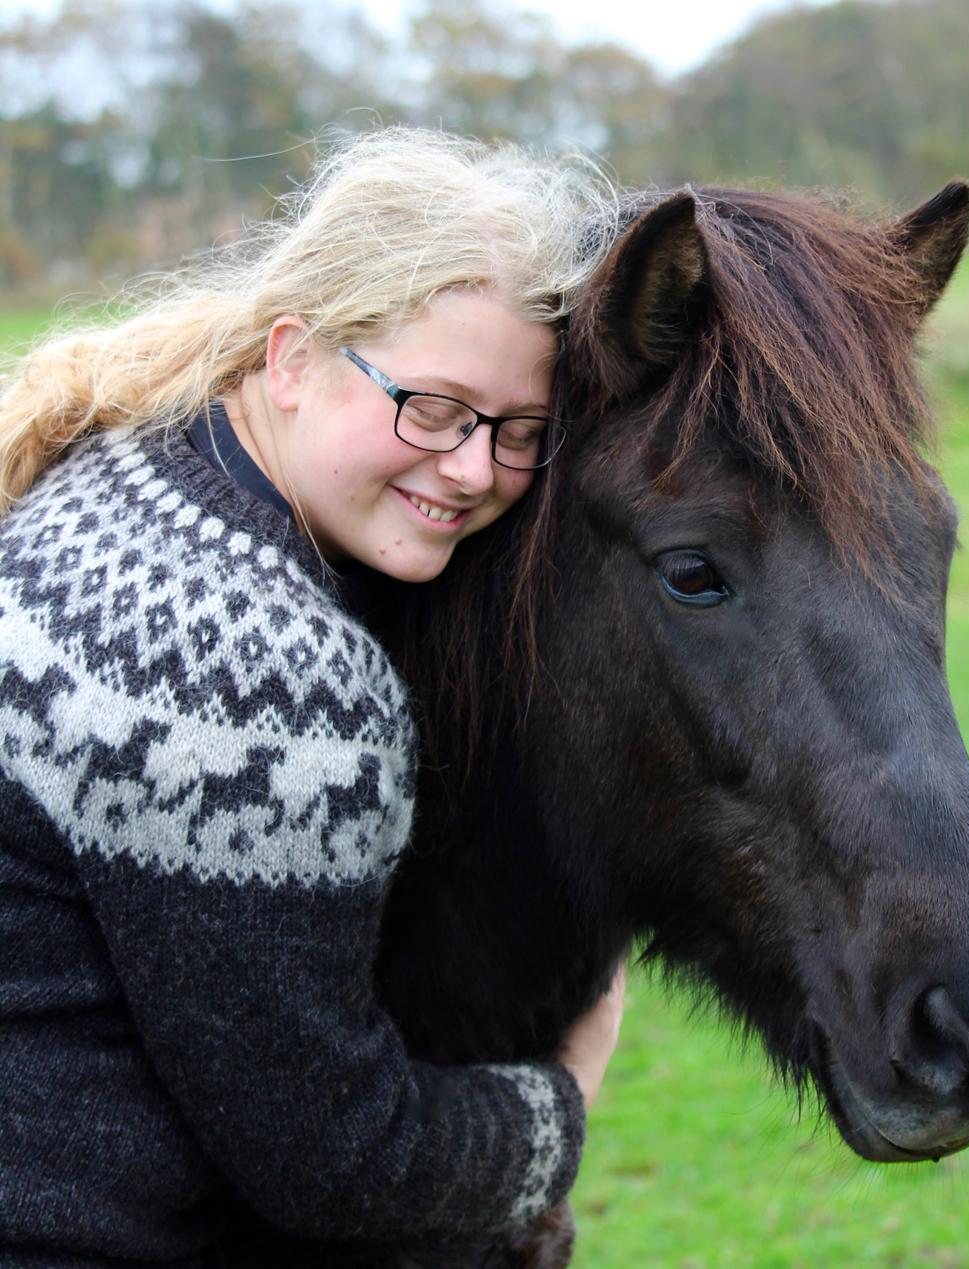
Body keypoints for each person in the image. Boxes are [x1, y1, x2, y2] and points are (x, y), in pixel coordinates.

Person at [0, 127, 625, 1266]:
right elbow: (339, 1162)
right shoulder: (263, 671)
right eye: (430, 408)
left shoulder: (121, 470)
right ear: (291, 358)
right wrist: (562, 1098)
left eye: (522, 433)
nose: (474, 468)